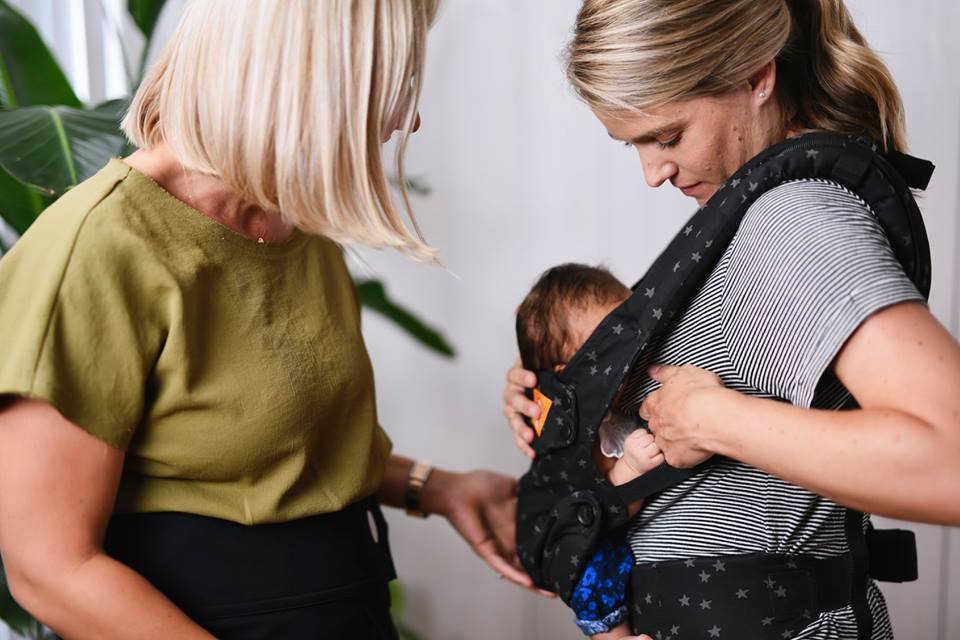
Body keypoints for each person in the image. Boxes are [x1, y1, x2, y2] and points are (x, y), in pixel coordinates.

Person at [0, 2, 535, 638]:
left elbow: (262, 456)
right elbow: (49, 568)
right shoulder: (96, 250)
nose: (406, 121)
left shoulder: (293, 228)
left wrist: (436, 487)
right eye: (383, 90)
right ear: (304, 83)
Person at [503, 1, 960, 638]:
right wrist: (574, 391)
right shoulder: (755, 216)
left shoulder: (800, 221)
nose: (652, 172)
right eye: (631, 143)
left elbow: (951, 457)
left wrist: (719, 420)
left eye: (666, 136)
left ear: (755, 77)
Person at [516, 263, 664, 638]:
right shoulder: (583, 430)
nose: (636, 352)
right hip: (561, 536)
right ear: (574, 372)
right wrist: (628, 470)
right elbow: (597, 502)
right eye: (613, 348)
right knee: (596, 566)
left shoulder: (615, 405)